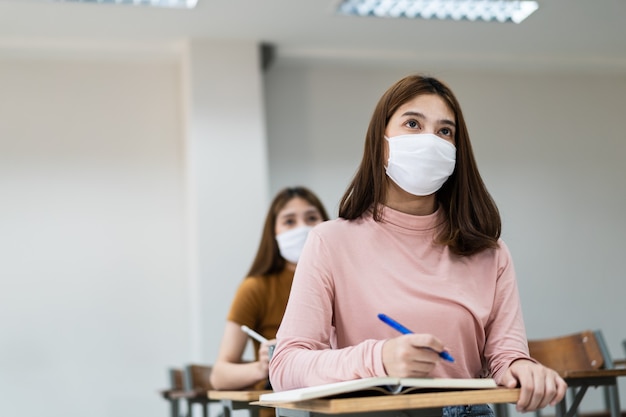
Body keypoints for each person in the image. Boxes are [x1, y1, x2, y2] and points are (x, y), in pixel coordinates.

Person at [269, 75, 567, 415]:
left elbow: (505, 357)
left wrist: (521, 368)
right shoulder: (330, 241)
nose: (430, 141)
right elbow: (285, 367)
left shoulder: (491, 253)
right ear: (380, 143)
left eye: (444, 132)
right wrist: (378, 358)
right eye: (413, 124)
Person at [210, 186, 329, 391]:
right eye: (289, 221)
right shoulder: (255, 288)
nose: (302, 228)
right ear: (273, 232)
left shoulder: (341, 278)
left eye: (311, 218)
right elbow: (219, 376)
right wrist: (262, 367)